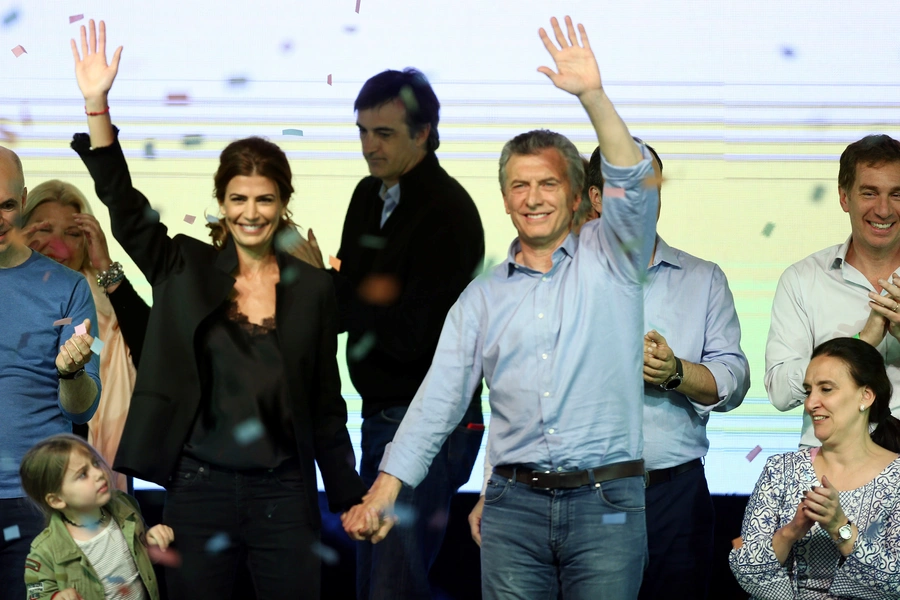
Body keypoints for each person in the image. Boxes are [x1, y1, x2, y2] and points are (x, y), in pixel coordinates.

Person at [344, 16, 658, 598]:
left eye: (546, 184)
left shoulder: (613, 260)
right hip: (513, 509)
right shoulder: (482, 299)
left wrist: (593, 95)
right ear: (506, 199)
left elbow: (633, 183)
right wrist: (384, 490)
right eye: (519, 186)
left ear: (574, 195)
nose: (533, 199)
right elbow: (437, 399)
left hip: (606, 505)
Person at [69, 20, 367, 599]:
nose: (250, 212)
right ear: (221, 202)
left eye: (264, 199)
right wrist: (96, 107)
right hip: (198, 489)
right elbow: (126, 209)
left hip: (284, 491)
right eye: (238, 198)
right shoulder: (184, 265)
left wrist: (349, 496)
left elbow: (325, 403)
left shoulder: (312, 288)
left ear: (283, 203)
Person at [469, 142, 750, 600]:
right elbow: (518, 398)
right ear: (596, 199)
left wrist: (675, 371)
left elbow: (733, 381)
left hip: (671, 496)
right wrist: (492, 490)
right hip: (579, 501)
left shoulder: (702, 279)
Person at [294, 67, 485, 599]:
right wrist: (323, 287)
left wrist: (336, 288)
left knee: (392, 586)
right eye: (362, 131)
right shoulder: (367, 195)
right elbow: (354, 307)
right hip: (383, 413)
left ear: (423, 133)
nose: (368, 147)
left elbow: (410, 334)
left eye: (384, 134)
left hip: (429, 418)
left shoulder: (448, 212)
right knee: (376, 582)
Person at [0, 147, 101, 600]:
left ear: (22, 201)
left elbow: (84, 405)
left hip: (35, 499)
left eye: (5, 204)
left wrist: (71, 373)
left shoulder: (69, 287)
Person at [730, 337, 900, 598]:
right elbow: (746, 569)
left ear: (865, 396)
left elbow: (895, 581)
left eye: (826, 389)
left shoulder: (896, 478)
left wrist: (840, 527)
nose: (810, 403)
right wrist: (791, 532)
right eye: (809, 390)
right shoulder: (781, 470)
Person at [766, 134, 900, 448]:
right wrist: (860, 345)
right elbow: (781, 393)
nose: (883, 209)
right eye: (869, 193)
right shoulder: (802, 280)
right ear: (844, 198)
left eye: (897, 194)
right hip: (829, 472)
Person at [22, 180, 150, 491]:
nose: (59, 245)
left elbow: (152, 346)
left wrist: (105, 266)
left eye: (73, 233)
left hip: (95, 469)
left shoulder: (104, 308)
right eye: (45, 230)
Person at [20, 434, 173, 600]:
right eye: (83, 474)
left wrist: (152, 541)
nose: (99, 473)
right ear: (57, 500)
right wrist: (55, 597)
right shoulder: (45, 551)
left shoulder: (125, 506)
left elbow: (142, 554)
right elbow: (36, 594)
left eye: (95, 463)